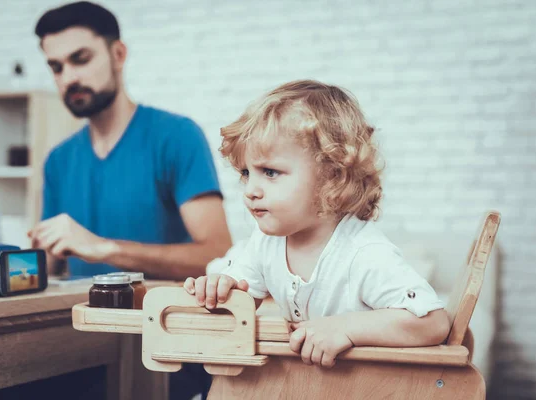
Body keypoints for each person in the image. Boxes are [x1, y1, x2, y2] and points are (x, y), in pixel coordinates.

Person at [28, 3, 231, 399]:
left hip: (165, 350)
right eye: (56, 67)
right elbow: (53, 267)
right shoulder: (58, 160)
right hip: (79, 348)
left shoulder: (176, 136)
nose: (69, 77)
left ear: (118, 55)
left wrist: (105, 249)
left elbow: (218, 254)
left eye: (80, 59)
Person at [184, 80, 450, 368]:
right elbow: (241, 295)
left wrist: (345, 328)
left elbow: (432, 323)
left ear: (331, 177)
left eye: (270, 172)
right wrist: (221, 288)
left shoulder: (363, 253)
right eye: (247, 173)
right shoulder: (265, 242)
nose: (250, 190)